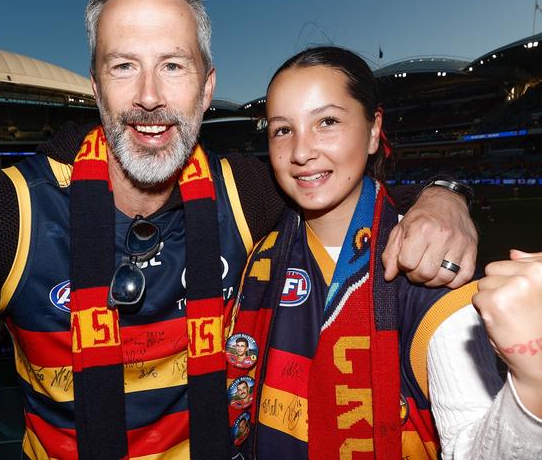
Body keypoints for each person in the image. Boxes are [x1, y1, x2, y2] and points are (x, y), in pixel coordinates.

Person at [0, 0, 479, 459]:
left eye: (173, 66)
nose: (150, 95)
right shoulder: (7, 212)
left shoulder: (245, 191)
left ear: (206, 88)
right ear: (97, 88)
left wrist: (444, 194)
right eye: (124, 67)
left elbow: (344, 174)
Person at [225, 46, 542, 459]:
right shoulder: (257, 249)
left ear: (374, 130)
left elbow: (472, 449)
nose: (301, 152)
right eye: (282, 130)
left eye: (327, 121)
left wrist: (532, 387)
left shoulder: (426, 266)